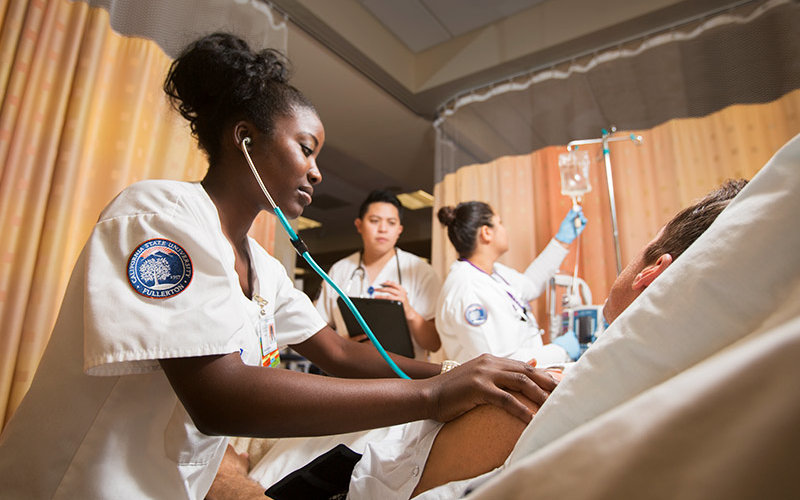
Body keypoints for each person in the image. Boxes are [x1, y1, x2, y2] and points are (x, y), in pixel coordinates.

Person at [0, 33, 558, 499]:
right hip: (72, 485)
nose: (316, 172)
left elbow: (337, 352)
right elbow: (220, 396)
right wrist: (434, 395)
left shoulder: (262, 267)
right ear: (245, 139)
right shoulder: (158, 216)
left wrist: (454, 373)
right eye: (306, 148)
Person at [210, 178, 748, 499]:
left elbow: (526, 293)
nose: (316, 170)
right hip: (392, 403)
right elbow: (337, 351)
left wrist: (563, 242)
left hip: (389, 429)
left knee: (226, 463)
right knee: (236, 454)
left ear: (653, 273)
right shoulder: (462, 287)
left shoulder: (487, 289)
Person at [435, 202, 587, 365]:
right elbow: (499, 363)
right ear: (486, 233)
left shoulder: (493, 273)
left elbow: (530, 285)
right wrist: (560, 351)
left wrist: (561, 241)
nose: (504, 229)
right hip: (497, 388)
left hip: (521, 380)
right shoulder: (468, 288)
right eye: (500, 223)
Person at [315, 190, 442, 358]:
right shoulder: (339, 270)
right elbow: (318, 328)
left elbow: (434, 344)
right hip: (350, 374)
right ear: (359, 225)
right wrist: (342, 345)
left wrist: (409, 312)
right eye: (374, 221)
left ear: (399, 230)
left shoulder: (421, 271)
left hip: (403, 378)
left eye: (391, 223)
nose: (383, 229)